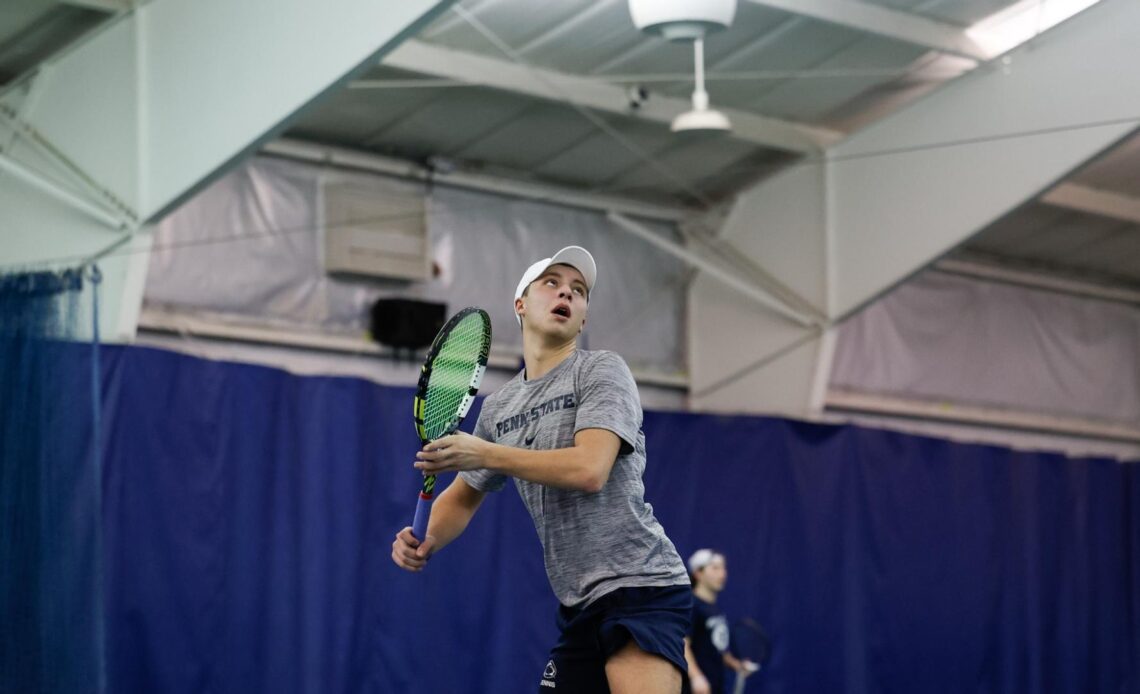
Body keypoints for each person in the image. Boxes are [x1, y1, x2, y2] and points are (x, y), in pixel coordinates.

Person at [391, 245, 692, 694]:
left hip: (641, 588)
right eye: (551, 283)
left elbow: (590, 468)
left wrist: (487, 453)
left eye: (578, 290)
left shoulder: (601, 371)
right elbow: (462, 495)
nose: (566, 294)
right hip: (578, 603)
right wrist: (425, 537)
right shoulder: (499, 408)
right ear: (521, 304)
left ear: (583, 317)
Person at [684, 550, 758, 694]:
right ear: (698, 573)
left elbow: (717, 649)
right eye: (715, 568)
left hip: (715, 686)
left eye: (723, 567)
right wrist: (696, 677)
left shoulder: (715, 609)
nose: (722, 573)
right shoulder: (691, 605)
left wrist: (737, 665)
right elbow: (683, 644)